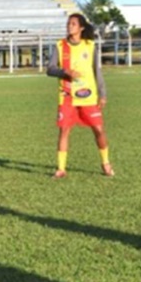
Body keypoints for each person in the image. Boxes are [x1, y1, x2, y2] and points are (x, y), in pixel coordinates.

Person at [46, 13, 113, 178]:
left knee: (99, 130)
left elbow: (97, 71)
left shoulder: (90, 46)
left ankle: (106, 163)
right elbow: (50, 69)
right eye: (68, 23)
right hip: (67, 96)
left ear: (81, 28)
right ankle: (61, 169)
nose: (69, 26)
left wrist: (102, 94)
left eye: (73, 24)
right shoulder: (60, 46)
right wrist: (65, 72)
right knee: (64, 131)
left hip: (88, 96)